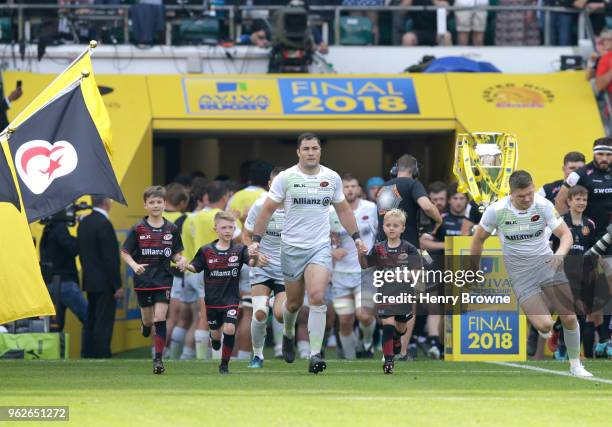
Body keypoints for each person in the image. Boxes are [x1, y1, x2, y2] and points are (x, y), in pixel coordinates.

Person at [249, 132, 367, 374]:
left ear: (320, 151)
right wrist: (256, 242)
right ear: (298, 152)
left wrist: (356, 238)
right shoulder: (286, 177)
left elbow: (344, 210)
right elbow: (266, 211)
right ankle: (289, 334)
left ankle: (315, 354)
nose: (311, 152)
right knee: (291, 306)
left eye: (315, 148)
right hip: (291, 248)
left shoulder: (331, 178)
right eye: (306, 149)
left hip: (320, 247)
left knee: (316, 296)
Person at [471, 170, 592, 377]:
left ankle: (576, 366)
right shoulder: (496, 210)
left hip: (548, 265)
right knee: (545, 324)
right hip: (520, 273)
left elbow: (565, 235)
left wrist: (560, 254)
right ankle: (543, 325)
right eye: (521, 196)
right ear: (511, 193)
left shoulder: (543, 205)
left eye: (530, 193)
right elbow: (478, 239)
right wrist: (472, 270)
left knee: (570, 317)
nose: (527, 199)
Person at [182, 211, 260, 374]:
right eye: (224, 227)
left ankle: (224, 364)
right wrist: (185, 265)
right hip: (212, 301)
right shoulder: (206, 250)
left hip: (231, 299)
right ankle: (214, 338)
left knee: (230, 328)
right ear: (215, 229)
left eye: (231, 227)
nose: (227, 231)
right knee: (216, 335)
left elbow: (251, 262)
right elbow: (195, 267)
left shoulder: (239, 250)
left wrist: (255, 257)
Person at [121, 186, 187, 375]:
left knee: (160, 318)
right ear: (145, 205)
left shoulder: (172, 228)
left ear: (165, 204)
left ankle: (158, 360)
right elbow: (125, 252)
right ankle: (145, 324)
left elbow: (176, 254)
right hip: (143, 280)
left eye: (159, 202)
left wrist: (181, 260)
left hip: (164, 279)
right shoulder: (138, 228)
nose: (156, 205)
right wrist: (134, 266)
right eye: (152, 202)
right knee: (149, 321)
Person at [359, 209, 421, 374]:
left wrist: (403, 274)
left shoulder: (409, 248)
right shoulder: (379, 248)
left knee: (400, 328)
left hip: (404, 294)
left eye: (395, 225)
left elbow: (417, 271)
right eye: (388, 225)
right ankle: (388, 362)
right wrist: (361, 255)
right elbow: (365, 265)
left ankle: (397, 340)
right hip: (385, 293)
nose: (391, 228)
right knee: (387, 325)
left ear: (402, 228)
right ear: (383, 228)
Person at [329, 173, 378, 359]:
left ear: (359, 189)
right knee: (345, 320)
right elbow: (324, 240)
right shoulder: (331, 212)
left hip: (365, 272)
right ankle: (351, 360)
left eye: (353, 186)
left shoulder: (371, 208)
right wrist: (332, 252)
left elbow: (379, 236)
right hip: (340, 274)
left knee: (364, 315)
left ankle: (367, 342)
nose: (350, 189)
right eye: (346, 186)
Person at [550, 185, 600, 359]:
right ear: (569, 201)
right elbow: (550, 246)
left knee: (580, 314)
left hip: (583, 275)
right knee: (566, 313)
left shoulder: (590, 224)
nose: (581, 203)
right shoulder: (560, 222)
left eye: (584, 199)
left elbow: (593, 251)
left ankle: (572, 351)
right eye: (577, 199)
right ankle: (560, 343)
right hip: (561, 275)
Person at [243, 166, 286, 368]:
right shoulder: (260, 205)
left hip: (287, 269)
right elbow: (246, 235)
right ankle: (258, 356)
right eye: (276, 183)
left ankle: (288, 339)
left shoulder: (299, 208)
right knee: (259, 313)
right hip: (263, 267)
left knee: (280, 314)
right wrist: (255, 253)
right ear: (270, 185)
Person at [77, 196, 122, 359]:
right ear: (106, 202)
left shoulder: (84, 223)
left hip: (89, 279)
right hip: (105, 282)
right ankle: (102, 352)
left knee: (91, 318)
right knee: (103, 320)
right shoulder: (104, 224)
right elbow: (110, 259)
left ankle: (87, 352)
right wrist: (117, 284)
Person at [39, 209, 88, 356]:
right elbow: (73, 249)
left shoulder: (47, 230)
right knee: (89, 318)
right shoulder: (60, 229)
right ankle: (89, 354)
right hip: (65, 283)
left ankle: (54, 355)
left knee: (56, 325)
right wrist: (81, 229)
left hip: (52, 283)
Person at [376, 154, 443, 248]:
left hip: (383, 249)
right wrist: (439, 220)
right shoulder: (413, 184)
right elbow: (427, 206)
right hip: (406, 249)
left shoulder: (382, 187)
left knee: (428, 260)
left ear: (395, 170)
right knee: (429, 262)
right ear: (415, 171)